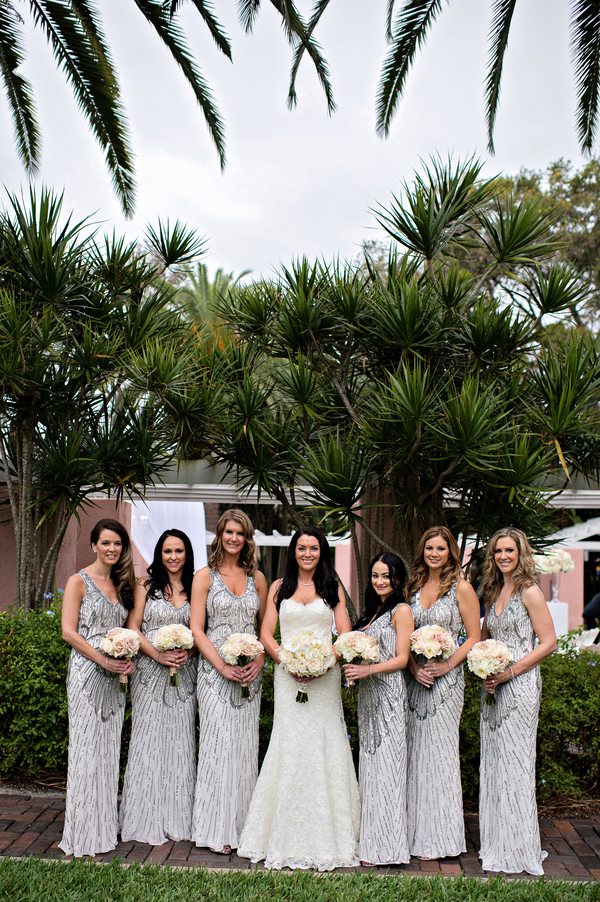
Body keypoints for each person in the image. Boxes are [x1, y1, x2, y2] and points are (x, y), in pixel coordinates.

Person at [237, 527, 360, 871]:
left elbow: (345, 634)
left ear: (322, 552)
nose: (308, 553)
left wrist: (322, 664)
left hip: (324, 678)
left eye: (314, 548)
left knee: (326, 744)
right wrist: (288, 662)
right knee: (289, 745)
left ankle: (331, 833)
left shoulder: (331, 588)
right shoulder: (279, 588)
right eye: (302, 548)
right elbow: (265, 633)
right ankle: (281, 832)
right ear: (293, 552)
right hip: (288, 677)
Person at [479, 527, 556, 875]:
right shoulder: (494, 589)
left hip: (520, 685)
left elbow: (548, 642)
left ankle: (519, 846)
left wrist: (509, 672)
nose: (503, 557)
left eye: (509, 550)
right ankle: (497, 841)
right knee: (494, 762)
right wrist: (484, 668)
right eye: (498, 551)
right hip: (492, 685)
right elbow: (484, 639)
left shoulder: (530, 590)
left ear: (520, 553)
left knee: (516, 763)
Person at [190, 509, 267, 855]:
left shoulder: (257, 579)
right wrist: (221, 666)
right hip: (214, 673)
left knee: (244, 748)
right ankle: (215, 828)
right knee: (218, 746)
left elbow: (265, 629)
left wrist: (260, 659)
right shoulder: (204, 576)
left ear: (247, 538)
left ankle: (243, 828)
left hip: (250, 675)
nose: (234, 538)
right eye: (228, 532)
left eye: (240, 533)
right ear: (219, 536)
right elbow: (196, 628)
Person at [59, 518, 136, 857]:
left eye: (117, 543)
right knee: (86, 750)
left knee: (107, 754)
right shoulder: (78, 581)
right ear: (94, 545)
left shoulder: (122, 585)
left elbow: (127, 631)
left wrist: (125, 656)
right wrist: (103, 660)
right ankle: (82, 833)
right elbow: (69, 632)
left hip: (115, 678)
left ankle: (103, 830)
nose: (111, 549)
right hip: (86, 675)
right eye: (105, 542)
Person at [405, 526, 480, 860]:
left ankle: (441, 837)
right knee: (414, 752)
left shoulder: (461, 589)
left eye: (441, 548)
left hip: (446, 681)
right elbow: (402, 634)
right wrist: (413, 669)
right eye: (429, 548)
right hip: (414, 678)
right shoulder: (412, 586)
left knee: (439, 753)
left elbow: (475, 637)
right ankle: (411, 832)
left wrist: (448, 666)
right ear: (422, 551)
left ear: (451, 552)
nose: (434, 554)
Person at [119, 529, 198, 844]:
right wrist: (158, 655)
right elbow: (133, 628)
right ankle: (143, 816)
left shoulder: (195, 587)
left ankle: (178, 818)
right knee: (148, 739)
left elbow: (199, 631)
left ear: (187, 554)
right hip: (150, 673)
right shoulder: (145, 586)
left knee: (180, 742)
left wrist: (187, 652)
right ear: (159, 554)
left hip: (184, 672)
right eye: (168, 551)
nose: (174, 557)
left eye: (179, 551)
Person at [344, 552, 414, 867]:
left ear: (397, 578)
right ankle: (371, 841)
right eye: (375, 575)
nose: (380, 581)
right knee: (371, 767)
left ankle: (388, 847)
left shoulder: (402, 610)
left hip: (388, 694)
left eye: (386, 575)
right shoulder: (372, 612)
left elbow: (402, 659)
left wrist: (367, 672)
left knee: (388, 767)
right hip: (368, 696)